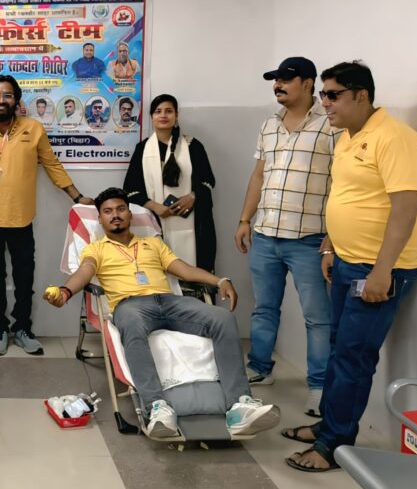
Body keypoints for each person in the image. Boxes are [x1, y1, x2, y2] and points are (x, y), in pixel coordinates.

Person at [45, 188, 281, 439]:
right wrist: (65, 292)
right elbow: (84, 271)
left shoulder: (153, 243)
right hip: (130, 305)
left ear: (130, 214)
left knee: (222, 318)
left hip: (169, 302)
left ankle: (239, 405)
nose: (115, 215)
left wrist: (220, 280)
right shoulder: (96, 249)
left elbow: (184, 270)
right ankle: (156, 407)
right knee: (131, 322)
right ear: (101, 219)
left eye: (121, 209)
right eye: (108, 211)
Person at [284, 61, 417, 473]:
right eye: (323, 94)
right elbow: (349, 195)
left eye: (333, 95)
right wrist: (331, 243)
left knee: (353, 357)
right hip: (347, 260)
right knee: (338, 349)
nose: (324, 102)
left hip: (379, 269)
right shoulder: (347, 136)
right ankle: (328, 425)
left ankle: (334, 445)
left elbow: (405, 208)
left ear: (361, 95)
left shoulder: (395, 138)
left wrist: (382, 271)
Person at [0, 74, 92, 356]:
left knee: (25, 278)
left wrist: (77, 197)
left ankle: (23, 328)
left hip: (21, 219)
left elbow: (52, 165)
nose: (2, 100)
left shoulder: (33, 129)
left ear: (16, 100)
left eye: (8, 95)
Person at [234, 57, 335, 417]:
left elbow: (342, 183)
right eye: (275, 80)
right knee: (264, 308)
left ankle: (320, 387)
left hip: (310, 239)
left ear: (308, 83)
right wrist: (245, 219)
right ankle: (260, 368)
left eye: (285, 79)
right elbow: (259, 176)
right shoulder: (269, 125)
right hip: (266, 234)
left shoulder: (330, 125)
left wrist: (334, 237)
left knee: (317, 317)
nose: (277, 85)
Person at [124, 94, 217, 272]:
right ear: (151, 116)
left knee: (196, 269)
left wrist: (193, 196)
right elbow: (131, 189)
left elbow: (208, 181)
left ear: (176, 115)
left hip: (194, 222)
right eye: (158, 111)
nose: (163, 115)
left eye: (168, 111)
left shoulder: (193, 146)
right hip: (156, 221)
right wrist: (156, 207)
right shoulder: (142, 149)